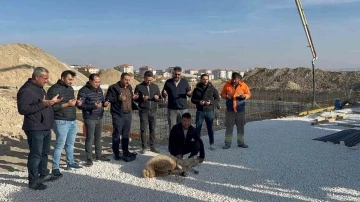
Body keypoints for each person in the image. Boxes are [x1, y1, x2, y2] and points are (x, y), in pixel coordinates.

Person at [17, 67, 62, 190]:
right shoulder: (26, 90)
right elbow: (23, 109)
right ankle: (33, 181)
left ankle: (44, 174)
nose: (47, 81)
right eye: (45, 78)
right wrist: (44, 104)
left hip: (45, 127)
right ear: (37, 77)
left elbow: (42, 105)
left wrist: (52, 102)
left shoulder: (39, 88)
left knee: (44, 153)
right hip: (35, 127)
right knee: (36, 155)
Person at [47, 70, 83, 177]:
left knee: (70, 144)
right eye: (69, 79)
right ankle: (55, 168)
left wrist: (77, 103)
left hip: (72, 120)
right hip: (60, 121)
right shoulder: (54, 89)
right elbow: (51, 107)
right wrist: (67, 104)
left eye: (72, 80)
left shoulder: (70, 88)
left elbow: (70, 103)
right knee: (59, 146)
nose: (71, 82)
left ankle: (70, 162)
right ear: (63, 78)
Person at [77, 74, 110, 166]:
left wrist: (105, 104)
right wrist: (93, 106)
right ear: (90, 81)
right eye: (96, 82)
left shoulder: (99, 90)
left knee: (98, 138)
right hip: (90, 118)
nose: (97, 84)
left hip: (99, 117)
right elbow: (80, 106)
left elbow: (102, 101)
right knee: (90, 138)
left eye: (99, 82)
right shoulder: (83, 91)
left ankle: (98, 155)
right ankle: (89, 159)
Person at [105, 73, 139, 162]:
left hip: (128, 114)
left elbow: (130, 98)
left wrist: (134, 97)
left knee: (126, 134)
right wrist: (118, 98)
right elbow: (108, 98)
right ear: (121, 79)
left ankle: (125, 151)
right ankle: (116, 153)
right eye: (126, 80)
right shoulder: (113, 87)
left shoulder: (129, 87)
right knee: (117, 134)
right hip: (118, 114)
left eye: (129, 80)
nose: (127, 82)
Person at [220, 72, 251, 149]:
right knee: (229, 127)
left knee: (240, 127)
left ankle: (241, 142)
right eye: (233, 79)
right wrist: (225, 96)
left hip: (240, 110)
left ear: (239, 79)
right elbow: (222, 94)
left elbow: (249, 94)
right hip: (230, 110)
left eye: (236, 79)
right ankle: (227, 143)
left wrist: (244, 96)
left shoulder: (243, 85)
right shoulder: (227, 85)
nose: (234, 80)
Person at [134, 71, 161, 154]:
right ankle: (144, 147)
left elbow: (159, 98)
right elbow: (135, 99)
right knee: (143, 129)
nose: (149, 82)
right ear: (144, 78)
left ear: (152, 78)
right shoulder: (139, 87)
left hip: (153, 111)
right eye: (147, 80)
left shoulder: (156, 87)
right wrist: (142, 99)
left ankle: (153, 147)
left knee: (152, 129)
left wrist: (157, 98)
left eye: (150, 80)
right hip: (144, 111)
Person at [191, 74, 220, 150]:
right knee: (198, 128)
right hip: (200, 111)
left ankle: (212, 143)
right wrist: (199, 102)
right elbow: (192, 99)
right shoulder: (196, 89)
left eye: (207, 79)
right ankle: (197, 144)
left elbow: (217, 99)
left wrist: (210, 102)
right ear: (201, 79)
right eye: (204, 79)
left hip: (209, 111)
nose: (205, 80)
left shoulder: (212, 88)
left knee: (210, 128)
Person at [162, 66, 192, 133]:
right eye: (175, 74)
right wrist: (164, 94)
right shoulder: (168, 82)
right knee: (172, 128)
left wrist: (189, 93)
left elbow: (189, 93)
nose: (177, 76)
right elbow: (163, 93)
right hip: (172, 109)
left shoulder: (185, 82)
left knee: (184, 127)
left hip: (183, 109)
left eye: (179, 74)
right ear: (173, 73)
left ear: (181, 74)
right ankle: (174, 143)